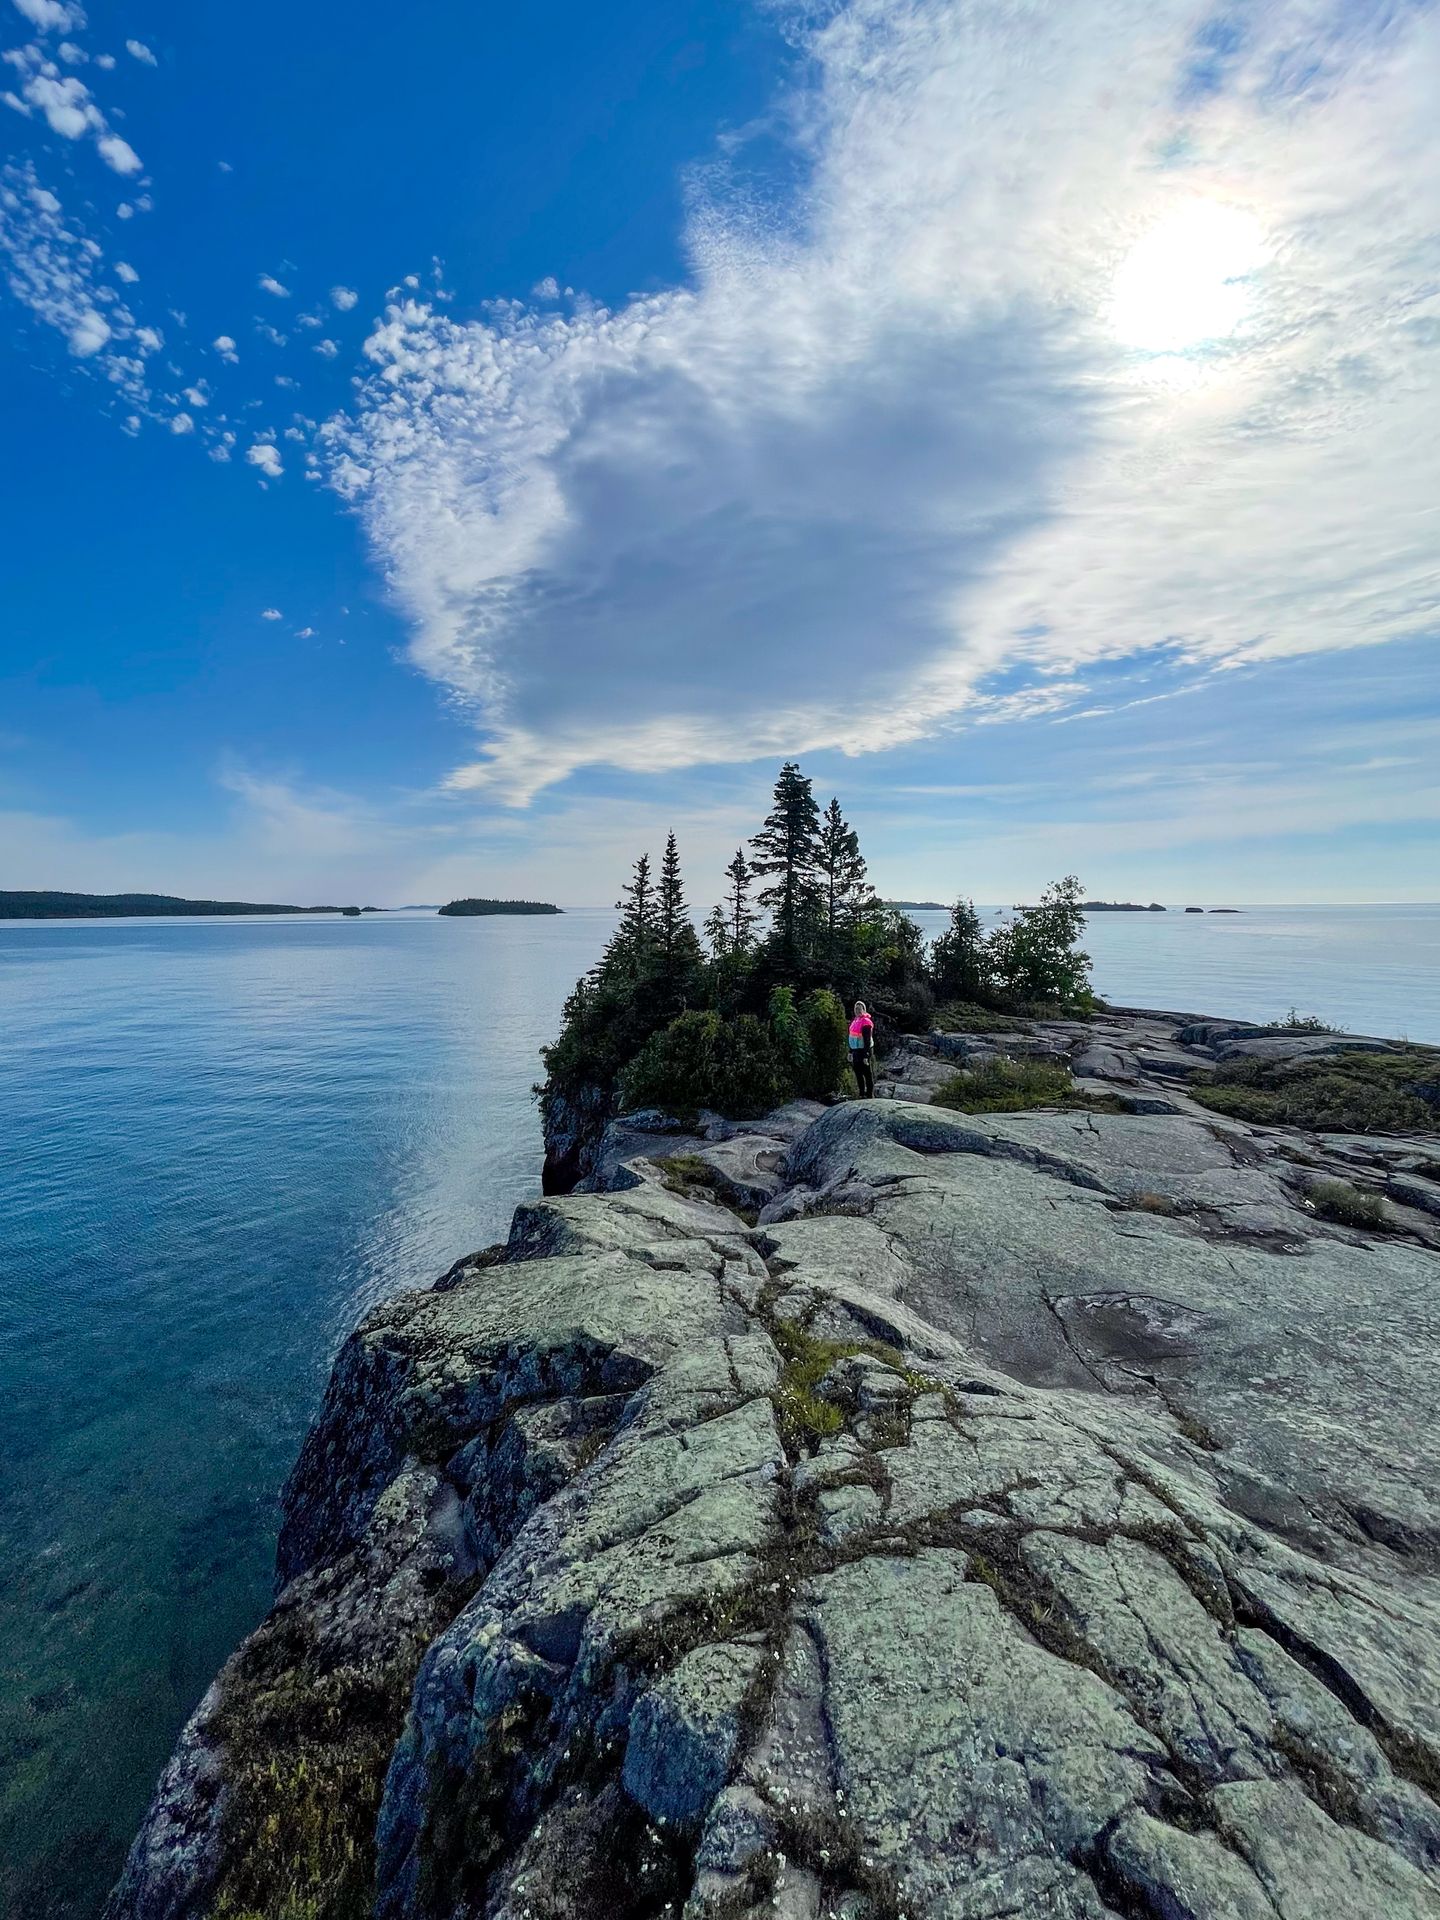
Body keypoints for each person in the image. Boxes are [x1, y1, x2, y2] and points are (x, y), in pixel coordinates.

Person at [848, 999, 875, 1097]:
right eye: (856, 1009)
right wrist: (850, 1051)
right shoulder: (855, 1021)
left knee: (867, 1073)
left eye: (859, 1009)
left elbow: (867, 1040)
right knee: (858, 1073)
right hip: (855, 1050)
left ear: (863, 1009)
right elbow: (852, 1037)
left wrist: (866, 1055)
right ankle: (861, 1093)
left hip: (864, 1050)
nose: (857, 1011)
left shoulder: (866, 1022)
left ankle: (869, 1094)